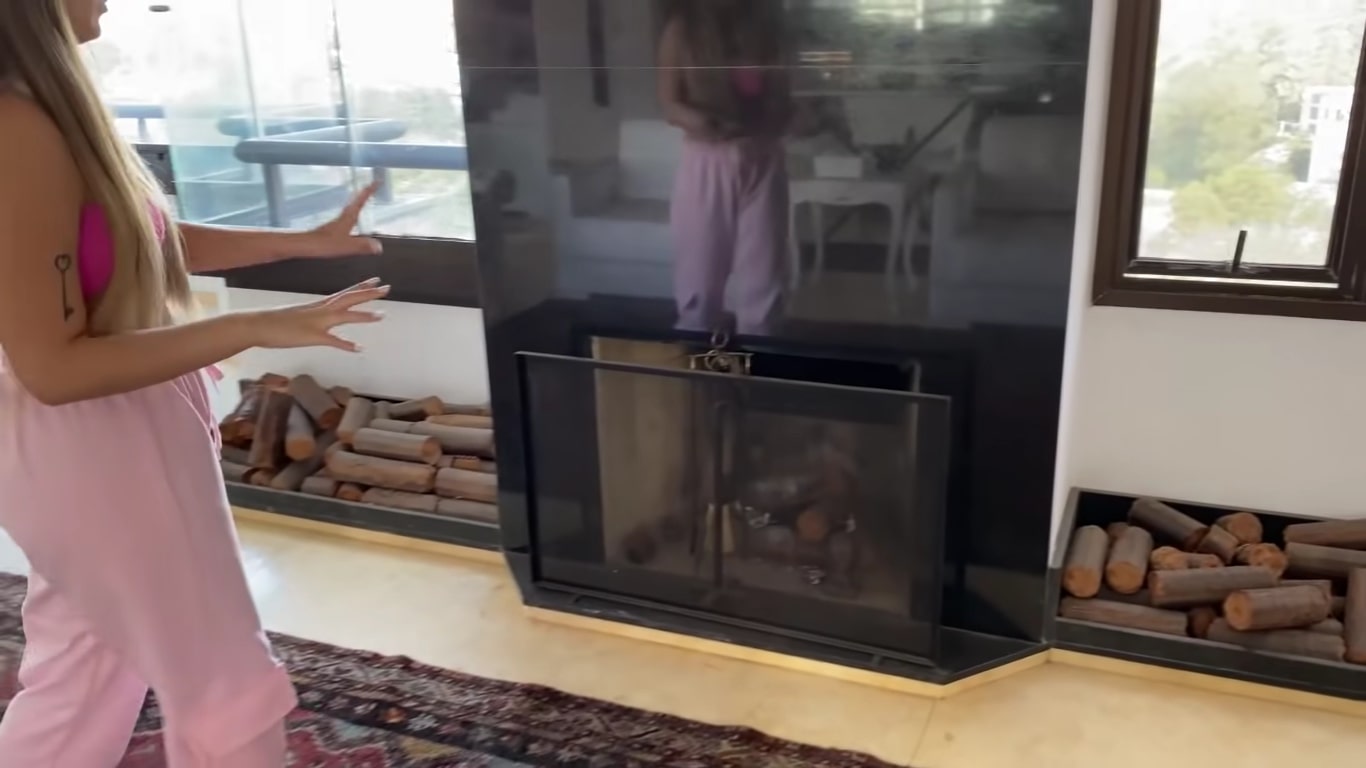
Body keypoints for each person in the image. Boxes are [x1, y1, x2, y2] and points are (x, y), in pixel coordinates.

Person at [0, 1, 391, 765]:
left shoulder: (38, 110)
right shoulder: (17, 128)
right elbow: (52, 367)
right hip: (89, 444)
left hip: (104, 433)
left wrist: (304, 244)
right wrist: (251, 327)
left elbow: (133, 238)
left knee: (86, 665)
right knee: (228, 686)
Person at [657, 0, 792, 336]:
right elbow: (670, 104)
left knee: (763, 281)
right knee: (700, 284)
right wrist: (704, 122)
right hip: (709, 160)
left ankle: (759, 359)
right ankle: (697, 362)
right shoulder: (683, 30)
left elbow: (783, 99)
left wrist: (793, 117)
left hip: (763, 158)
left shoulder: (765, 28)